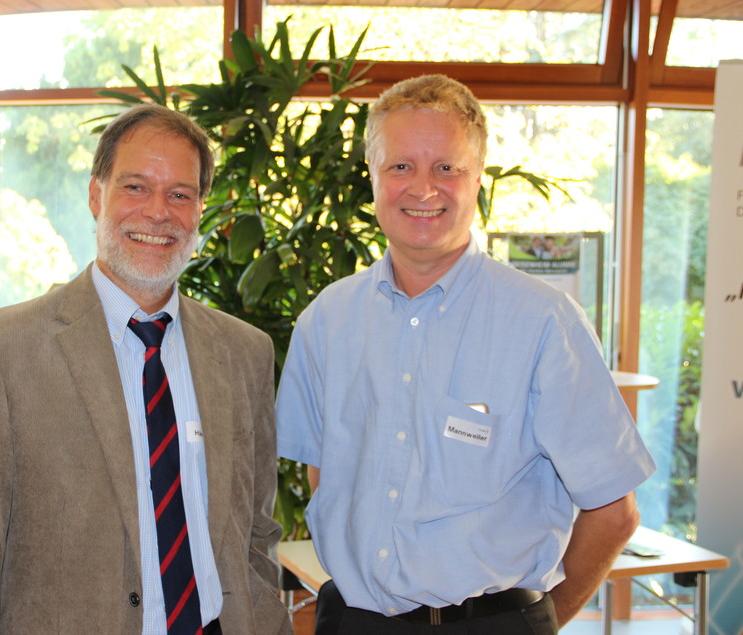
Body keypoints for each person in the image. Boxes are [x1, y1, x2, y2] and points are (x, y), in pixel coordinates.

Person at [276, 75, 656, 634]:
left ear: (478, 178)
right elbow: (323, 473)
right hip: (353, 621)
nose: (423, 188)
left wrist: (538, 623)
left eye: (446, 168)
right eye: (400, 166)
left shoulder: (544, 322)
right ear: (373, 177)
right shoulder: (327, 320)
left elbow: (614, 514)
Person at [0, 104, 292, 635]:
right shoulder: (0, 351)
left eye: (180, 194)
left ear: (199, 211)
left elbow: (256, 535)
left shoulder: (245, 353)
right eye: (136, 187)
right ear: (97, 196)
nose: (158, 213)